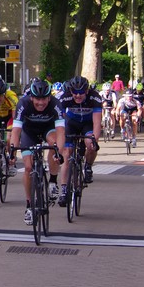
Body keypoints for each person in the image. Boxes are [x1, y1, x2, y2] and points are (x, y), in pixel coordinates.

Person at [9, 78, 66, 227]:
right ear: (32, 98)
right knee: (28, 168)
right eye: (37, 99)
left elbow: (61, 131)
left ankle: (52, 181)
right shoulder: (23, 103)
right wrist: (12, 151)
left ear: (49, 98)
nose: (41, 103)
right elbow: (16, 131)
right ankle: (29, 205)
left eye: (44, 99)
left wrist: (59, 153)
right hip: (29, 133)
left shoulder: (56, 104)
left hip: (48, 129)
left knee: (54, 145)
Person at [57, 76, 103, 204]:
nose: (77, 95)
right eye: (75, 92)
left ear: (87, 91)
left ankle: (88, 166)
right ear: (70, 91)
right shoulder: (65, 97)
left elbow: (97, 123)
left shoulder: (94, 97)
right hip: (71, 123)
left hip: (88, 124)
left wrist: (94, 140)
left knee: (91, 144)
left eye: (81, 92)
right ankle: (64, 189)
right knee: (67, 154)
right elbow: (60, 121)